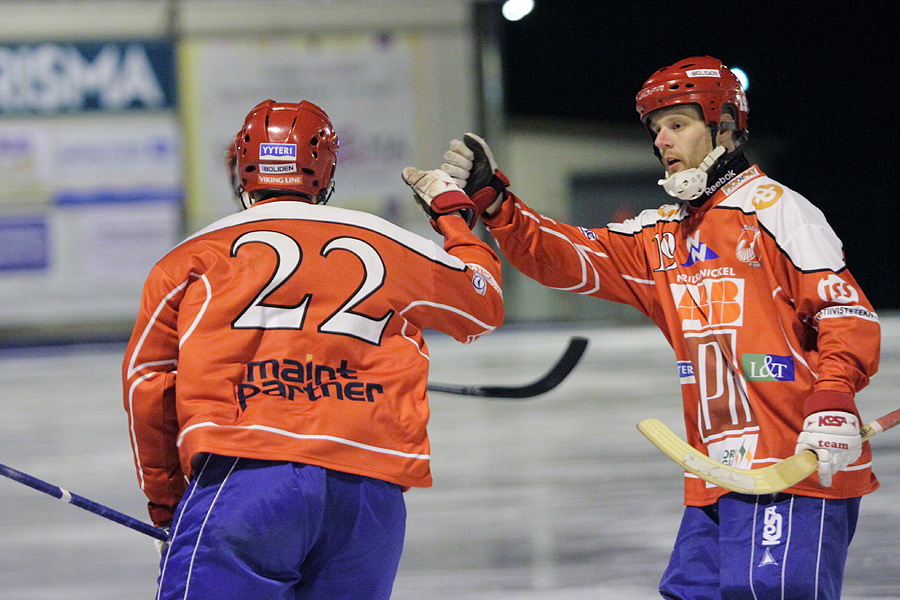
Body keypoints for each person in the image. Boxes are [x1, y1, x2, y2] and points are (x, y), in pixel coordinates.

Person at [436, 56, 880, 599]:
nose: (663, 141)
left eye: (678, 124)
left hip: (795, 468)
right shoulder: (662, 237)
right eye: (656, 129)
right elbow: (562, 255)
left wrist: (833, 395)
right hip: (717, 478)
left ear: (725, 126)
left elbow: (845, 312)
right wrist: (497, 203)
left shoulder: (778, 211)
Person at [122, 99, 504, 600]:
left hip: (245, 479)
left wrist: (169, 506)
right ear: (324, 171)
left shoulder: (189, 258)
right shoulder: (387, 241)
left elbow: (148, 384)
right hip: (368, 495)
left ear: (242, 168)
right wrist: (454, 217)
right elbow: (483, 304)